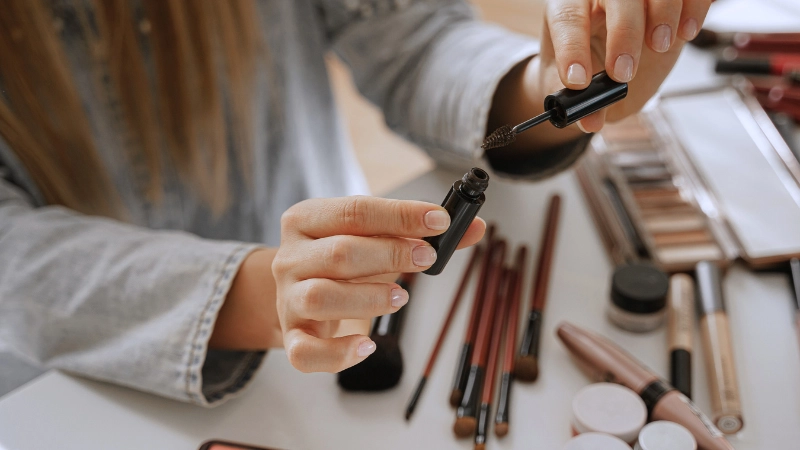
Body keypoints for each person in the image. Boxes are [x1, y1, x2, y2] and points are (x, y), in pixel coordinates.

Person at [0, 0, 710, 406]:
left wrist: (549, 89)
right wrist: (249, 294)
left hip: (333, 340)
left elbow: (414, 41)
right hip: (67, 390)